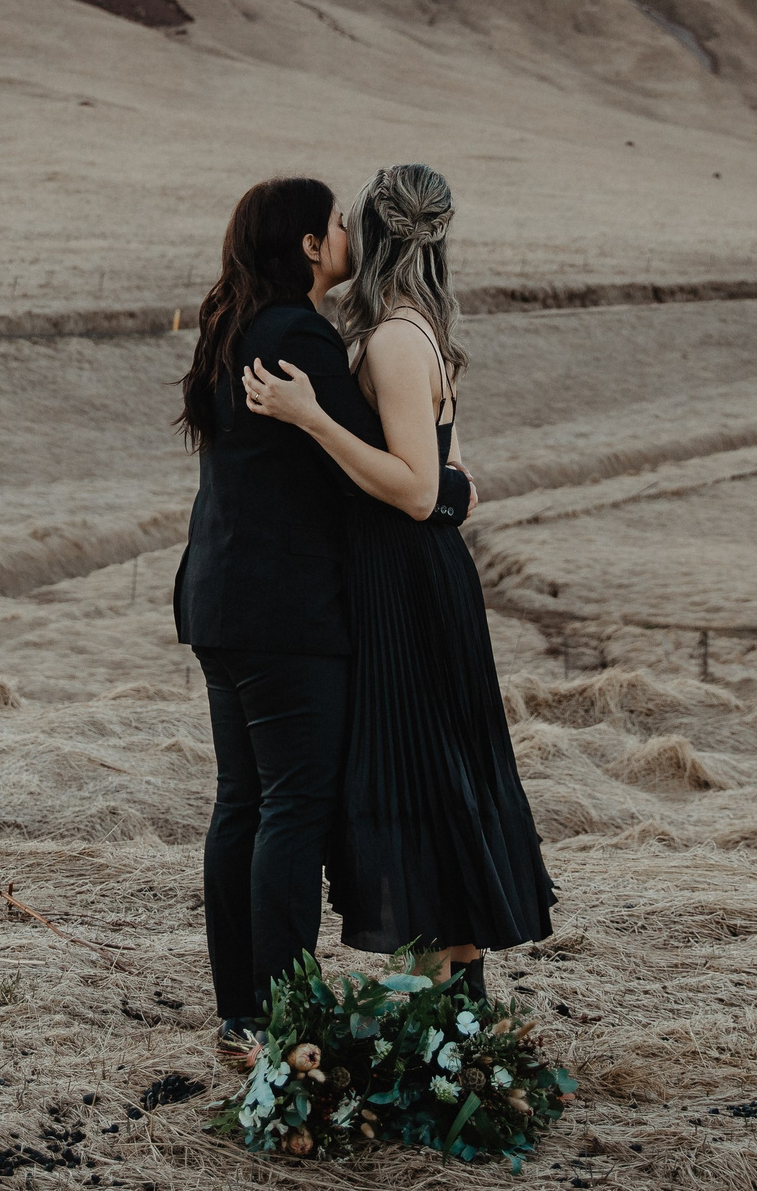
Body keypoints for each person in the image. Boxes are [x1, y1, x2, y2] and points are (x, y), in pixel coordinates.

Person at [172, 176, 472, 1048]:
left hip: (218, 605)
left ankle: (239, 1011)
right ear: (308, 245)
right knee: (293, 807)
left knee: (241, 802)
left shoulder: (233, 327)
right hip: (289, 617)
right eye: (335, 222)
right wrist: (450, 490)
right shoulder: (299, 333)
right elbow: (382, 466)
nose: (346, 232)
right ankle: (282, 1016)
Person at [243, 163, 554, 999]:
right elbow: (452, 476)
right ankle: (457, 1024)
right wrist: (450, 487)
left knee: (421, 780)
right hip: (417, 579)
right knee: (434, 779)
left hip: (407, 587)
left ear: (374, 236)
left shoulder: (389, 338)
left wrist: (311, 418)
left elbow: (418, 489)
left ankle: (448, 1028)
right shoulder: (419, 330)